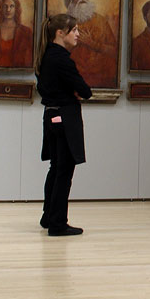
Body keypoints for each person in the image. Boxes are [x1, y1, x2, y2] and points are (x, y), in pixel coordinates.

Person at [35, 13, 93, 237]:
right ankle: (58, 223)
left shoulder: (47, 56)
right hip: (64, 119)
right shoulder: (61, 59)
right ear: (60, 33)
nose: (78, 34)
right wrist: (75, 92)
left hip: (51, 116)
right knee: (64, 171)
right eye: (74, 30)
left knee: (56, 168)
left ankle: (49, 216)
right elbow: (85, 91)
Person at [63, 0, 118, 86]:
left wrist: (92, 43)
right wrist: (75, 42)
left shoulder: (100, 20)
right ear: (70, 3)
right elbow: (57, 51)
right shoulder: (64, 22)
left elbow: (114, 51)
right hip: (73, 74)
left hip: (101, 75)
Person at [0, 0, 34, 67]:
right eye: (5, 6)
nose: (8, 10)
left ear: (16, 9)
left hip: (18, 72)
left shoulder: (26, 32)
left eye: (12, 6)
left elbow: (28, 60)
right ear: (0, 9)